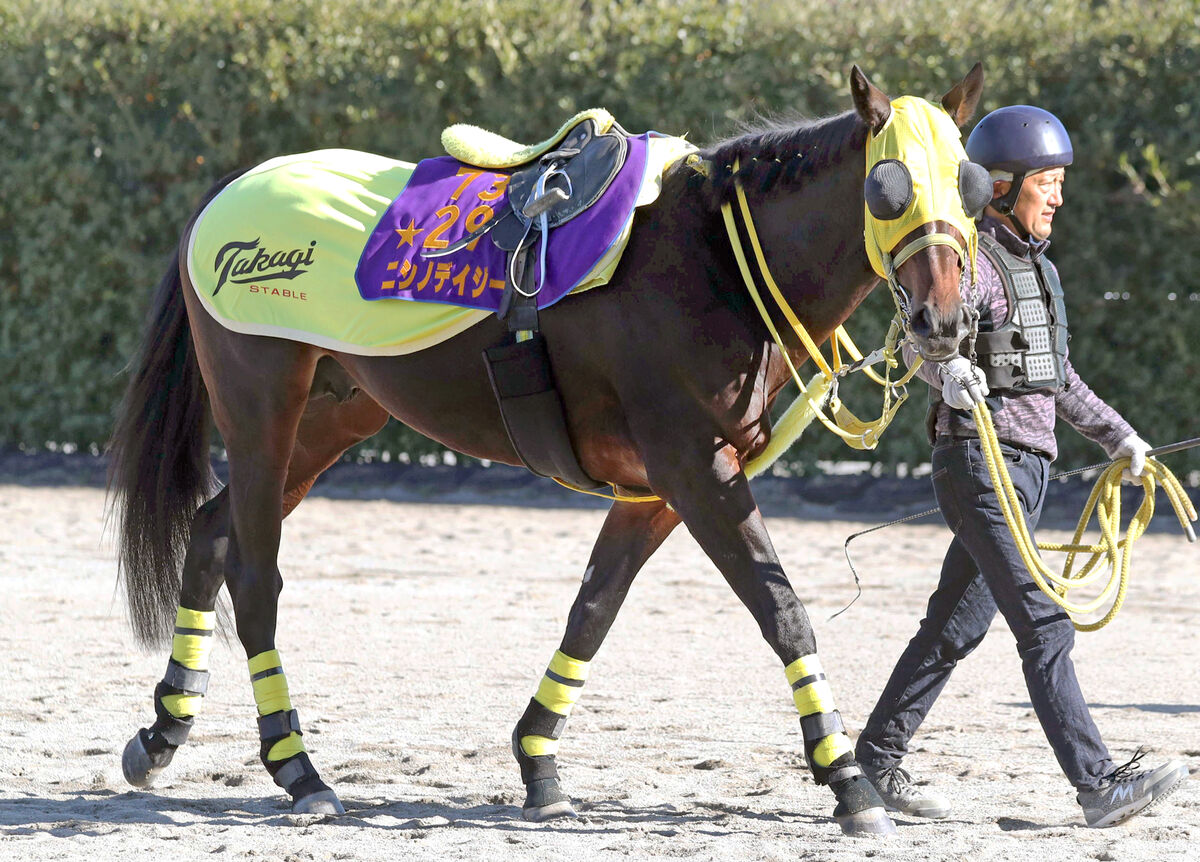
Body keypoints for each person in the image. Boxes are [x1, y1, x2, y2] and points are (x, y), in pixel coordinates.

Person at [853, 105, 1189, 828]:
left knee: (955, 628)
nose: (1060, 197)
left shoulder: (1039, 273)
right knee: (1044, 625)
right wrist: (943, 375)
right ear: (1002, 187)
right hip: (980, 462)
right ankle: (1099, 784)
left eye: (1061, 182)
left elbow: (1058, 379)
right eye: (1050, 182)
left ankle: (873, 763)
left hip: (1025, 471)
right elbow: (922, 333)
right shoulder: (971, 262)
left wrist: (1122, 439)